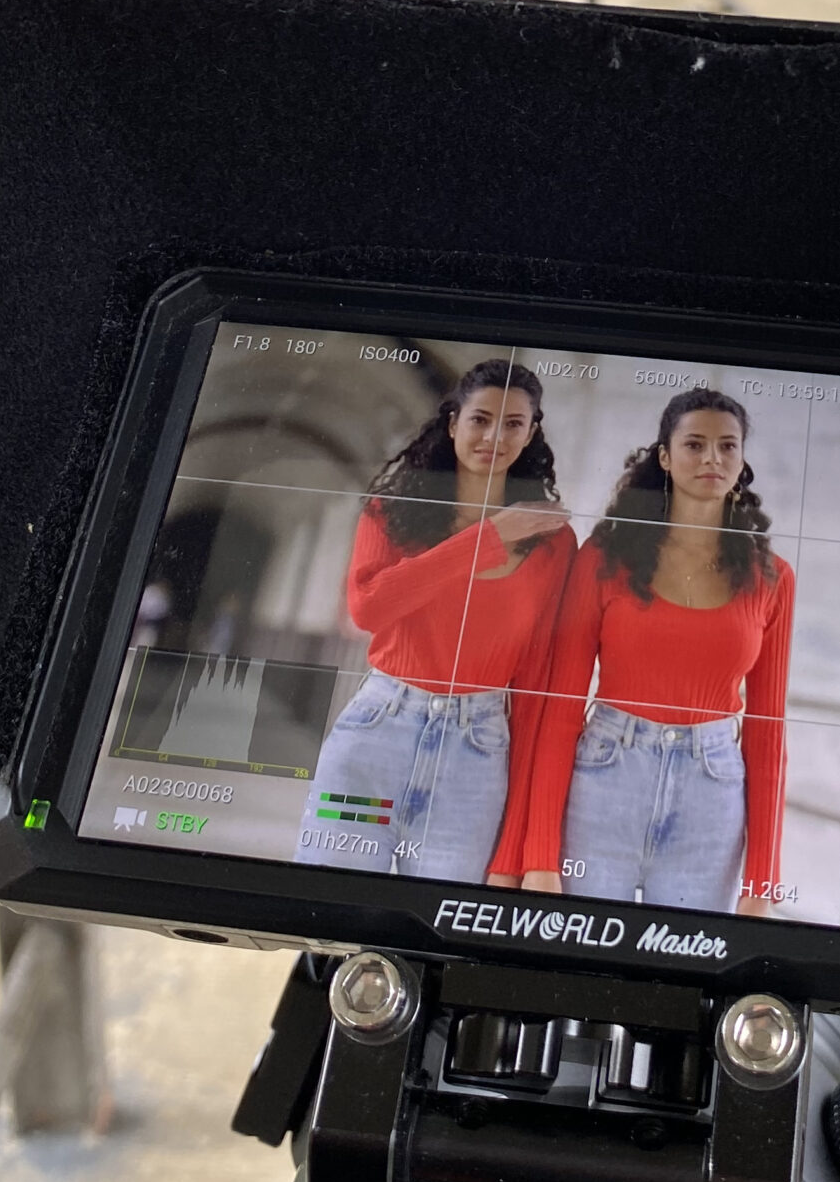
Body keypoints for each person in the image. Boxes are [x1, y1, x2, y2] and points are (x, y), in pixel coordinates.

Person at [297, 359, 573, 886]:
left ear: (532, 432)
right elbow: (368, 608)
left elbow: (539, 691)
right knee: (332, 913)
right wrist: (490, 537)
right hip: (375, 742)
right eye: (481, 419)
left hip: (476, 762)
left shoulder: (552, 543)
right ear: (453, 423)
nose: (495, 436)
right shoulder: (393, 510)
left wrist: (519, 853)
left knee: (443, 931)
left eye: (514, 423)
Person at [519, 389, 793, 914]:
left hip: (711, 794)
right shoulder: (605, 557)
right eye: (695, 444)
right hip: (605, 777)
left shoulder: (773, 579)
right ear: (665, 457)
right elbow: (560, 707)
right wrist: (540, 856)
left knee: (688, 971)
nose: (712, 458)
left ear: (741, 460)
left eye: (727, 447)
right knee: (583, 960)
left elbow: (768, 732)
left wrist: (763, 884)